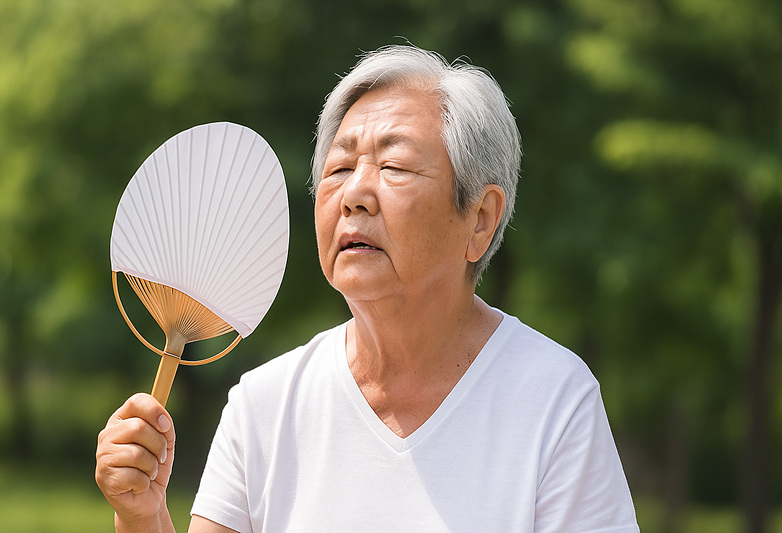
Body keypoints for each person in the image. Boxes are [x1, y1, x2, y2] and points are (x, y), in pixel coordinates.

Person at [96, 45, 640, 533]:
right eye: (338, 168)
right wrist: (141, 516)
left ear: (480, 219)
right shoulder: (265, 405)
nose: (355, 193)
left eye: (394, 165)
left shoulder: (554, 401)